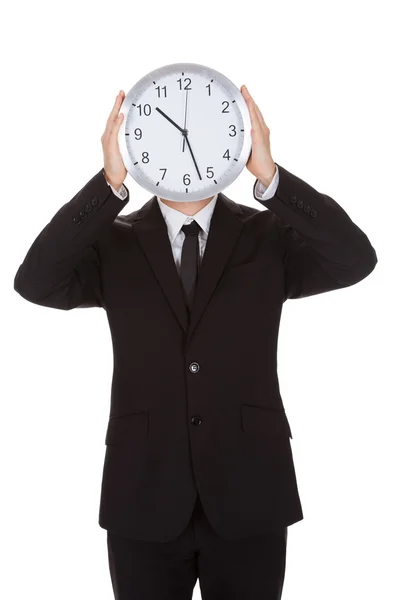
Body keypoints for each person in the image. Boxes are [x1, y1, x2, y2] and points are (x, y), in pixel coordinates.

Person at [13, 85, 377, 600]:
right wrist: (108, 185)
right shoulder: (113, 242)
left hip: (250, 487)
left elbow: (355, 259)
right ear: (140, 148)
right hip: (144, 491)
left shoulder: (268, 237)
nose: (186, 144)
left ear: (231, 144)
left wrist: (272, 179)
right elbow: (35, 282)